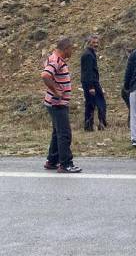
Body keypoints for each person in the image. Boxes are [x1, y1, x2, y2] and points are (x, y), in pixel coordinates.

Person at [41, 37, 81, 173]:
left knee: (57, 132)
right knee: (64, 134)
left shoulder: (56, 59)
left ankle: (52, 161)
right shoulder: (55, 60)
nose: (72, 52)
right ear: (66, 49)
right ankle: (65, 164)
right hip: (56, 103)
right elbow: (45, 75)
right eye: (71, 49)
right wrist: (56, 91)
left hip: (56, 103)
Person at [80, 34, 107, 131]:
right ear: (88, 43)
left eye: (97, 42)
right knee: (99, 103)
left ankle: (90, 126)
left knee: (91, 104)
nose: (96, 44)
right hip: (90, 83)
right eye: (93, 43)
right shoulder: (88, 55)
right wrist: (91, 87)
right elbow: (88, 72)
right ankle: (99, 125)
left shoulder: (90, 53)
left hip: (91, 82)